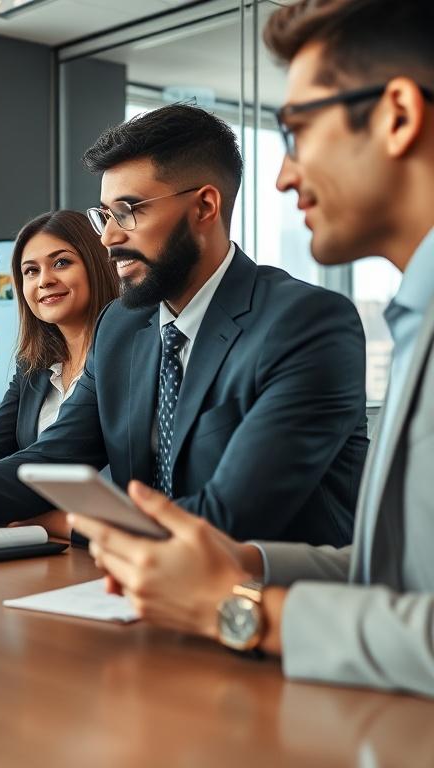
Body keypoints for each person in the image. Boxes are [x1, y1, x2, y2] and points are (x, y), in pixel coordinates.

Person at [68, 0, 434, 698]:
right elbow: (397, 574)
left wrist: (242, 612)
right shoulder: (415, 316)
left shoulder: (313, 320)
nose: (282, 176)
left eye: (297, 130)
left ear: (397, 116)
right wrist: (243, 563)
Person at [0, 103, 369, 546]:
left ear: (205, 206)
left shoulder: (304, 324)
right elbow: (55, 454)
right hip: (138, 600)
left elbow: (229, 518)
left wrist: (71, 522)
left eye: (127, 211)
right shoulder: (123, 327)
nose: (108, 238)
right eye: (104, 215)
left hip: (269, 618)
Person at [0, 210, 119, 470]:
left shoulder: (127, 356)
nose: (44, 280)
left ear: (96, 264)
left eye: (61, 263)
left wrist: (13, 488)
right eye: (31, 271)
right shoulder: (33, 367)